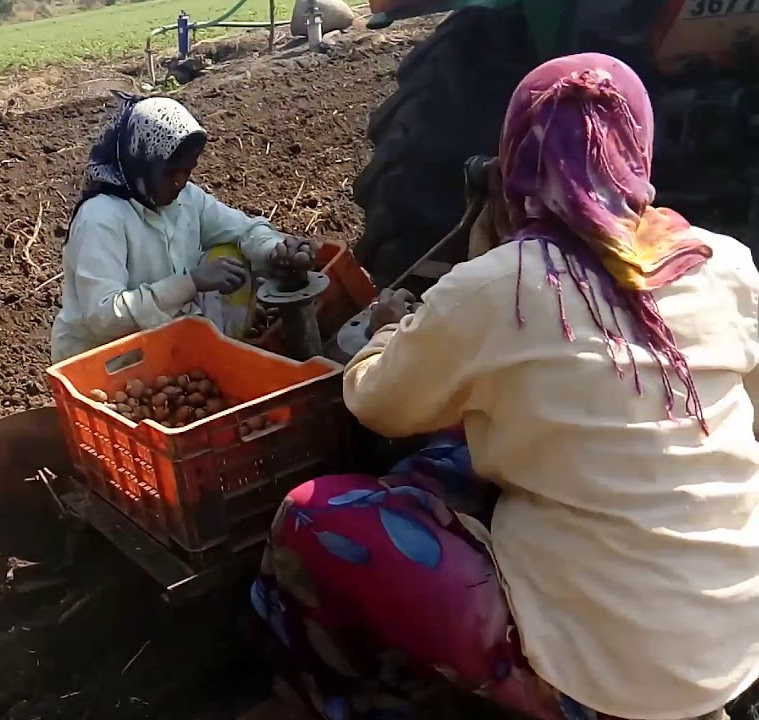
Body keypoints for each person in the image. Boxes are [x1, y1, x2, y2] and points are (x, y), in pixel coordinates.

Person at [250, 53, 759, 720]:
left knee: (314, 514)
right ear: (640, 148)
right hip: (733, 646)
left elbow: (373, 401)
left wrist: (386, 328)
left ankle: (352, 702)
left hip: (601, 682)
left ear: (514, 156)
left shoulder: (500, 287)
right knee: (464, 456)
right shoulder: (725, 263)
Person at [50, 94, 298, 363]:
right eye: (169, 172)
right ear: (141, 161)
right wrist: (191, 283)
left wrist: (275, 250)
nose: (180, 182)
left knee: (231, 253)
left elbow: (245, 230)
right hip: (109, 361)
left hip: (164, 340)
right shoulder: (101, 217)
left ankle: (215, 356)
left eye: (186, 170)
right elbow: (104, 317)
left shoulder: (187, 199)